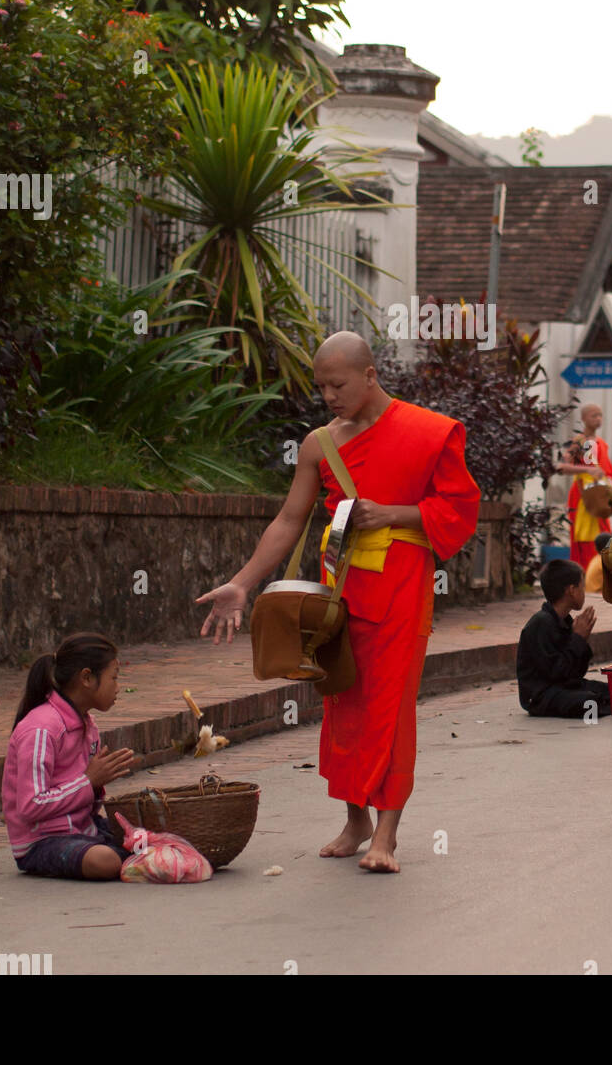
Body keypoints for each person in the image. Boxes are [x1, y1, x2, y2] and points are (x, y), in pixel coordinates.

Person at [196, 331, 479, 874]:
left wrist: (393, 514)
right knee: (342, 699)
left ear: (370, 376)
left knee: (391, 708)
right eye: (321, 386)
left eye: (338, 384)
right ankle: (356, 820)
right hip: (340, 587)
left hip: (400, 584)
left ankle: (387, 835)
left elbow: (460, 507)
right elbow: (289, 521)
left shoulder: (428, 432)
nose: (328, 396)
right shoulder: (319, 444)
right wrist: (243, 582)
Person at [3, 633, 135, 879]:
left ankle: (133, 855)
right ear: (87, 678)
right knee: (105, 861)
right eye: (114, 678)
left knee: (151, 832)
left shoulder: (88, 725)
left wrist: (96, 786)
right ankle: (130, 858)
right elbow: (31, 804)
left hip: (85, 829)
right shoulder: (41, 729)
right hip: (43, 842)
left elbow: (87, 803)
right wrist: (88, 782)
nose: (118, 688)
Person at [516, 558, 611, 718]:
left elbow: (574, 674)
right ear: (572, 590)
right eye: (582, 587)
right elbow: (556, 672)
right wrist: (578, 639)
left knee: (609, 690)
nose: (584, 592)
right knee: (588, 701)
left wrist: (581, 639)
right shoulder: (541, 623)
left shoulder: (565, 621)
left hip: (562, 686)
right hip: (541, 696)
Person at [555, 403, 612, 567]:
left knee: (603, 534)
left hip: (601, 494)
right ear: (583, 419)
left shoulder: (601, 443)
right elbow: (560, 467)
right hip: (582, 495)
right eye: (593, 415)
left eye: (600, 415)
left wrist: (610, 484)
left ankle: (599, 572)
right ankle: (583, 572)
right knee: (584, 535)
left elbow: (607, 471)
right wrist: (587, 470)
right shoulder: (577, 442)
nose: (598, 419)